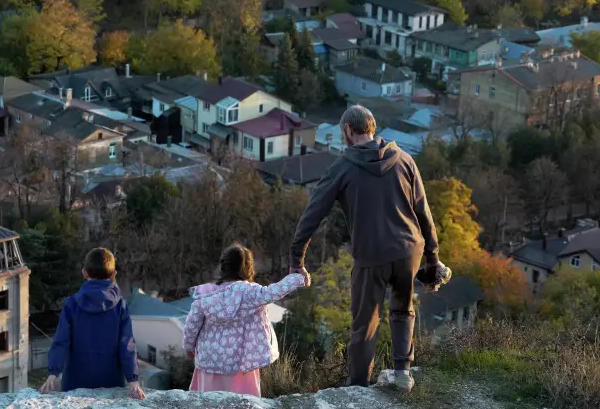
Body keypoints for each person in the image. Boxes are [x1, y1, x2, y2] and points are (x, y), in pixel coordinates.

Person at [289, 105, 447, 393]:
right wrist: (433, 259)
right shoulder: (404, 159)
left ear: (349, 131)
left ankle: (358, 387)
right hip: (409, 250)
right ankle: (402, 373)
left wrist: (297, 259)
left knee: (365, 323)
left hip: (372, 254)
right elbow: (424, 212)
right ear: (372, 128)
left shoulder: (343, 167)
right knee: (402, 308)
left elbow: (313, 214)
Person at [182, 244, 309, 397]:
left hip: (208, 362)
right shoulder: (250, 293)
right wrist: (297, 277)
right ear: (248, 267)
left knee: (207, 402)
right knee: (243, 402)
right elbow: (274, 291)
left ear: (223, 266)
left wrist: (189, 347)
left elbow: (191, 326)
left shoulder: (204, 295)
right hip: (241, 364)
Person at [40, 248, 145, 400]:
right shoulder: (120, 306)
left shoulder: (71, 305)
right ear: (114, 274)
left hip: (75, 381)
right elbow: (127, 344)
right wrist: (133, 379)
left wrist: (53, 373)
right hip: (111, 381)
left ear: (84, 273)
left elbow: (61, 341)